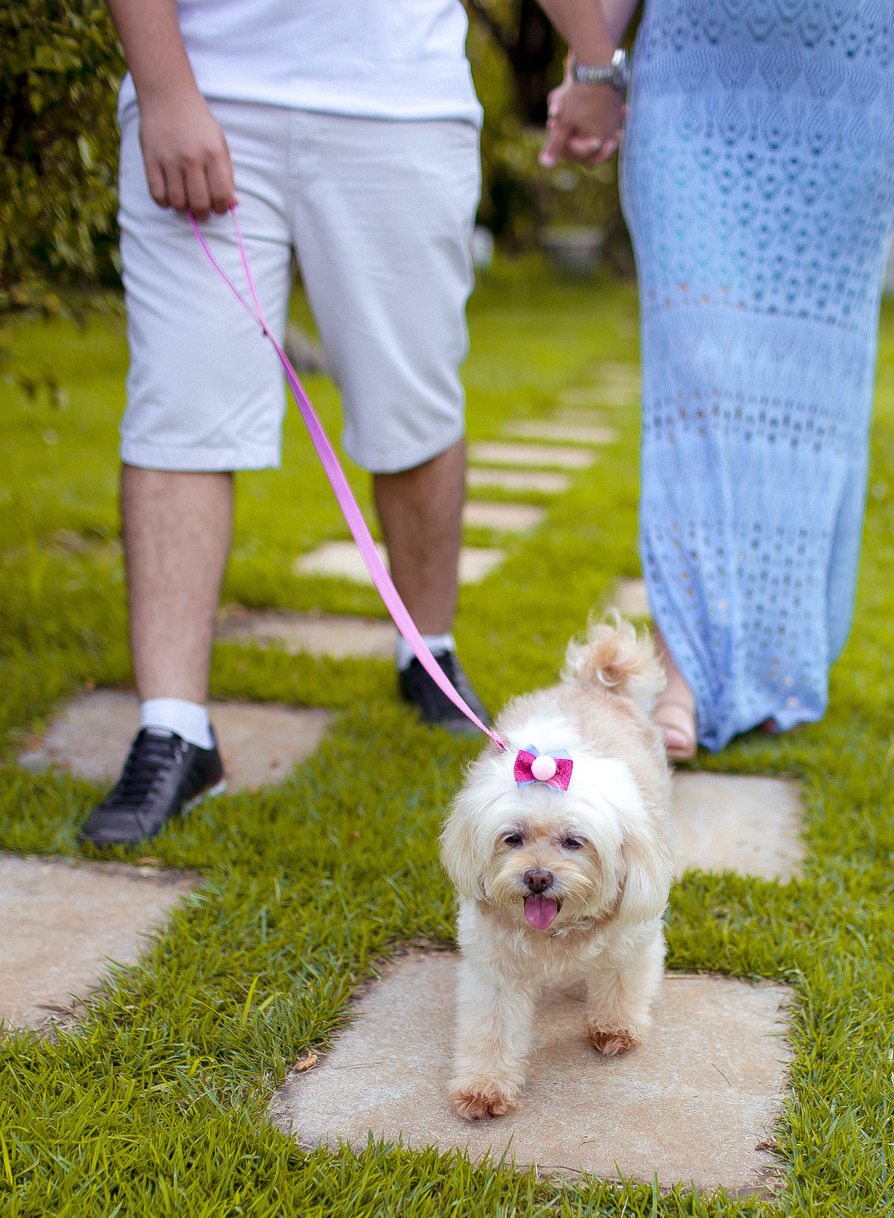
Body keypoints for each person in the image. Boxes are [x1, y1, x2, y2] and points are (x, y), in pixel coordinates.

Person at [84, 0, 622, 846]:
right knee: (180, 404)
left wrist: (595, 62)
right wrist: (164, 89)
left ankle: (428, 651)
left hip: (401, 103)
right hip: (208, 87)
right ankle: (173, 728)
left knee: (412, 401)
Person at [544, 0, 894, 757]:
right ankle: (684, 672)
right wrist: (593, 66)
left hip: (844, 88)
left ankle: (771, 656)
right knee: (700, 371)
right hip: (694, 83)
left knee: (810, 393)